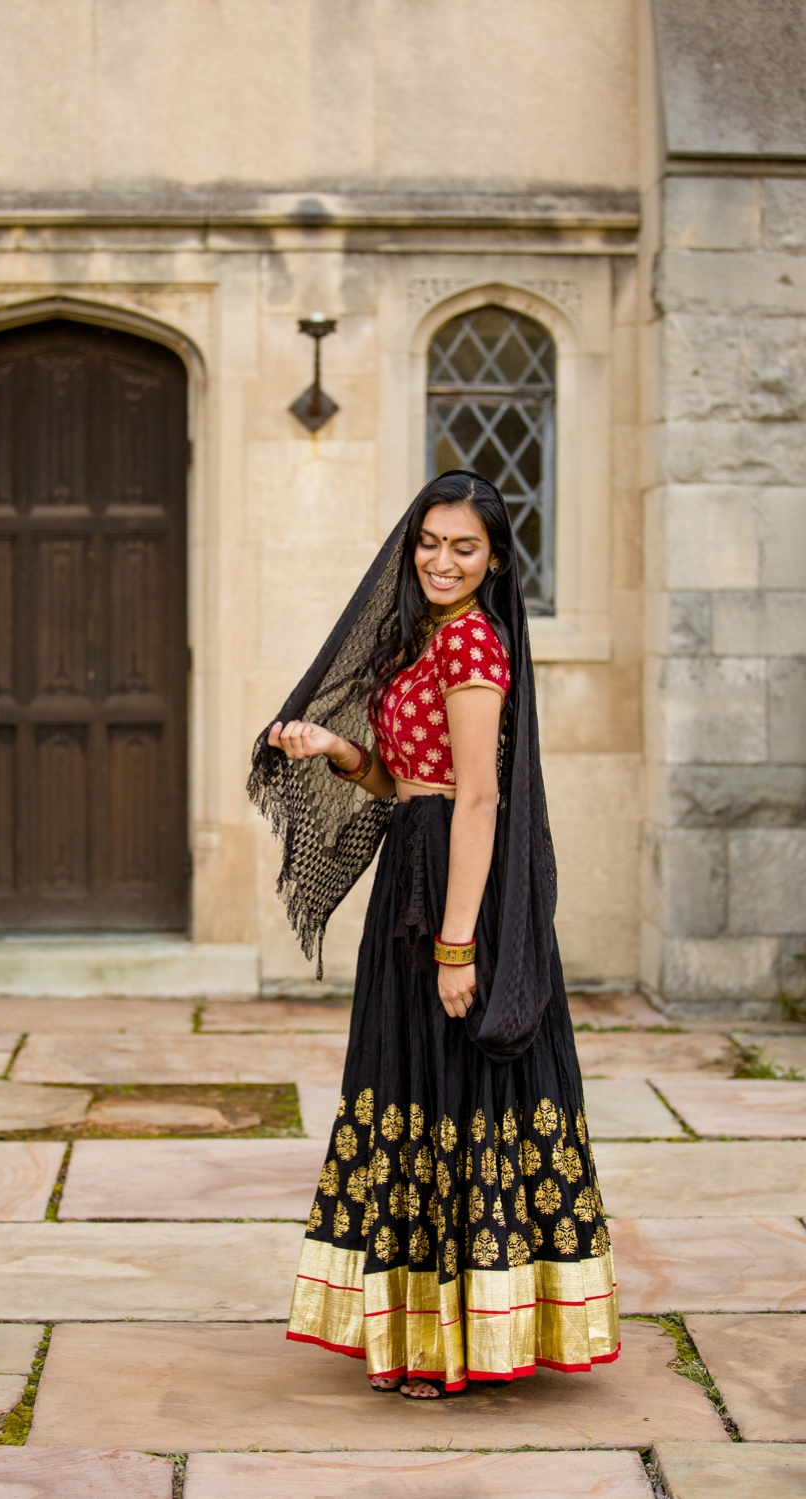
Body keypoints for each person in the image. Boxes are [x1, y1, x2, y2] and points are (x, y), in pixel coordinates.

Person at [251, 470, 616, 1399]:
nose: (442, 560)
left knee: (461, 1091)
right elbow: (406, 784)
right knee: (410, 1079)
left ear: (493, 559)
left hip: (462, 891)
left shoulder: (474, 650)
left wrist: (460, 945)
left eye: (464, 546)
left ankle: (464, 1343)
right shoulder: (420, 641)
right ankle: (417, 1328)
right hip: (411, 878)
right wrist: (335, 749)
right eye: (429, 542)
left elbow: (481, 799)